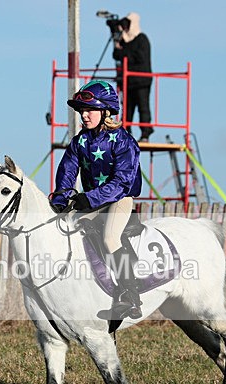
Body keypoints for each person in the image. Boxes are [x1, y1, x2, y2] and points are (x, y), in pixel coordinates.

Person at [49, 80, 143, 320]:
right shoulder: (79, 142)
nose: (84, 115)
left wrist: (87, 199)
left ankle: (130, 297)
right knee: (63, 229)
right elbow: (67, 172)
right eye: (81, 110)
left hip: (119, 199)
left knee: (110, 238)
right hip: (93, 202)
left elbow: (121, 183)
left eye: (89, 110)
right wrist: (61, 198)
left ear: (106, 111)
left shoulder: (124, 141)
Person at [112, 12, 153, 142]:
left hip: (141, 80)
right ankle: (125, 133)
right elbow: (116, 55)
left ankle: (145, 133)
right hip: (128, 81)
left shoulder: (142, 39)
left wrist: (124, 52)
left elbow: (139, 57)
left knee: (143, 107)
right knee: (127, 109)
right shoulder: (124, 40)